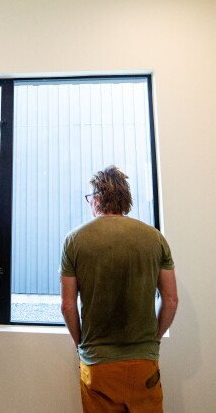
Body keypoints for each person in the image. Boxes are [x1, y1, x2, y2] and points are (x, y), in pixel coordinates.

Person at [60, 166, 178, 412]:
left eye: (89, 198)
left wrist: (80, 343)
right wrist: (153, 339)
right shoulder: (155, 238)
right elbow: (171, 300)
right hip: (144, 361)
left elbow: (68, 305)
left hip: (98, 363)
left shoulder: (74, 240)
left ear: (98, 199)